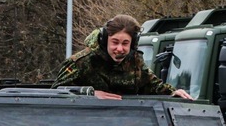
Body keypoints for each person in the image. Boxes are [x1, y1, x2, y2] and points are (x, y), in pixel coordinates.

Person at [52, 14, 192, 100]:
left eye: (125, 43)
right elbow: (55, 94)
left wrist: (174, 93)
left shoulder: (135, 62)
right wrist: (89, 94)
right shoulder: (80, 62)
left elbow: (153, 86)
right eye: (115, 42)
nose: (120, 49)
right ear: (105, 40)